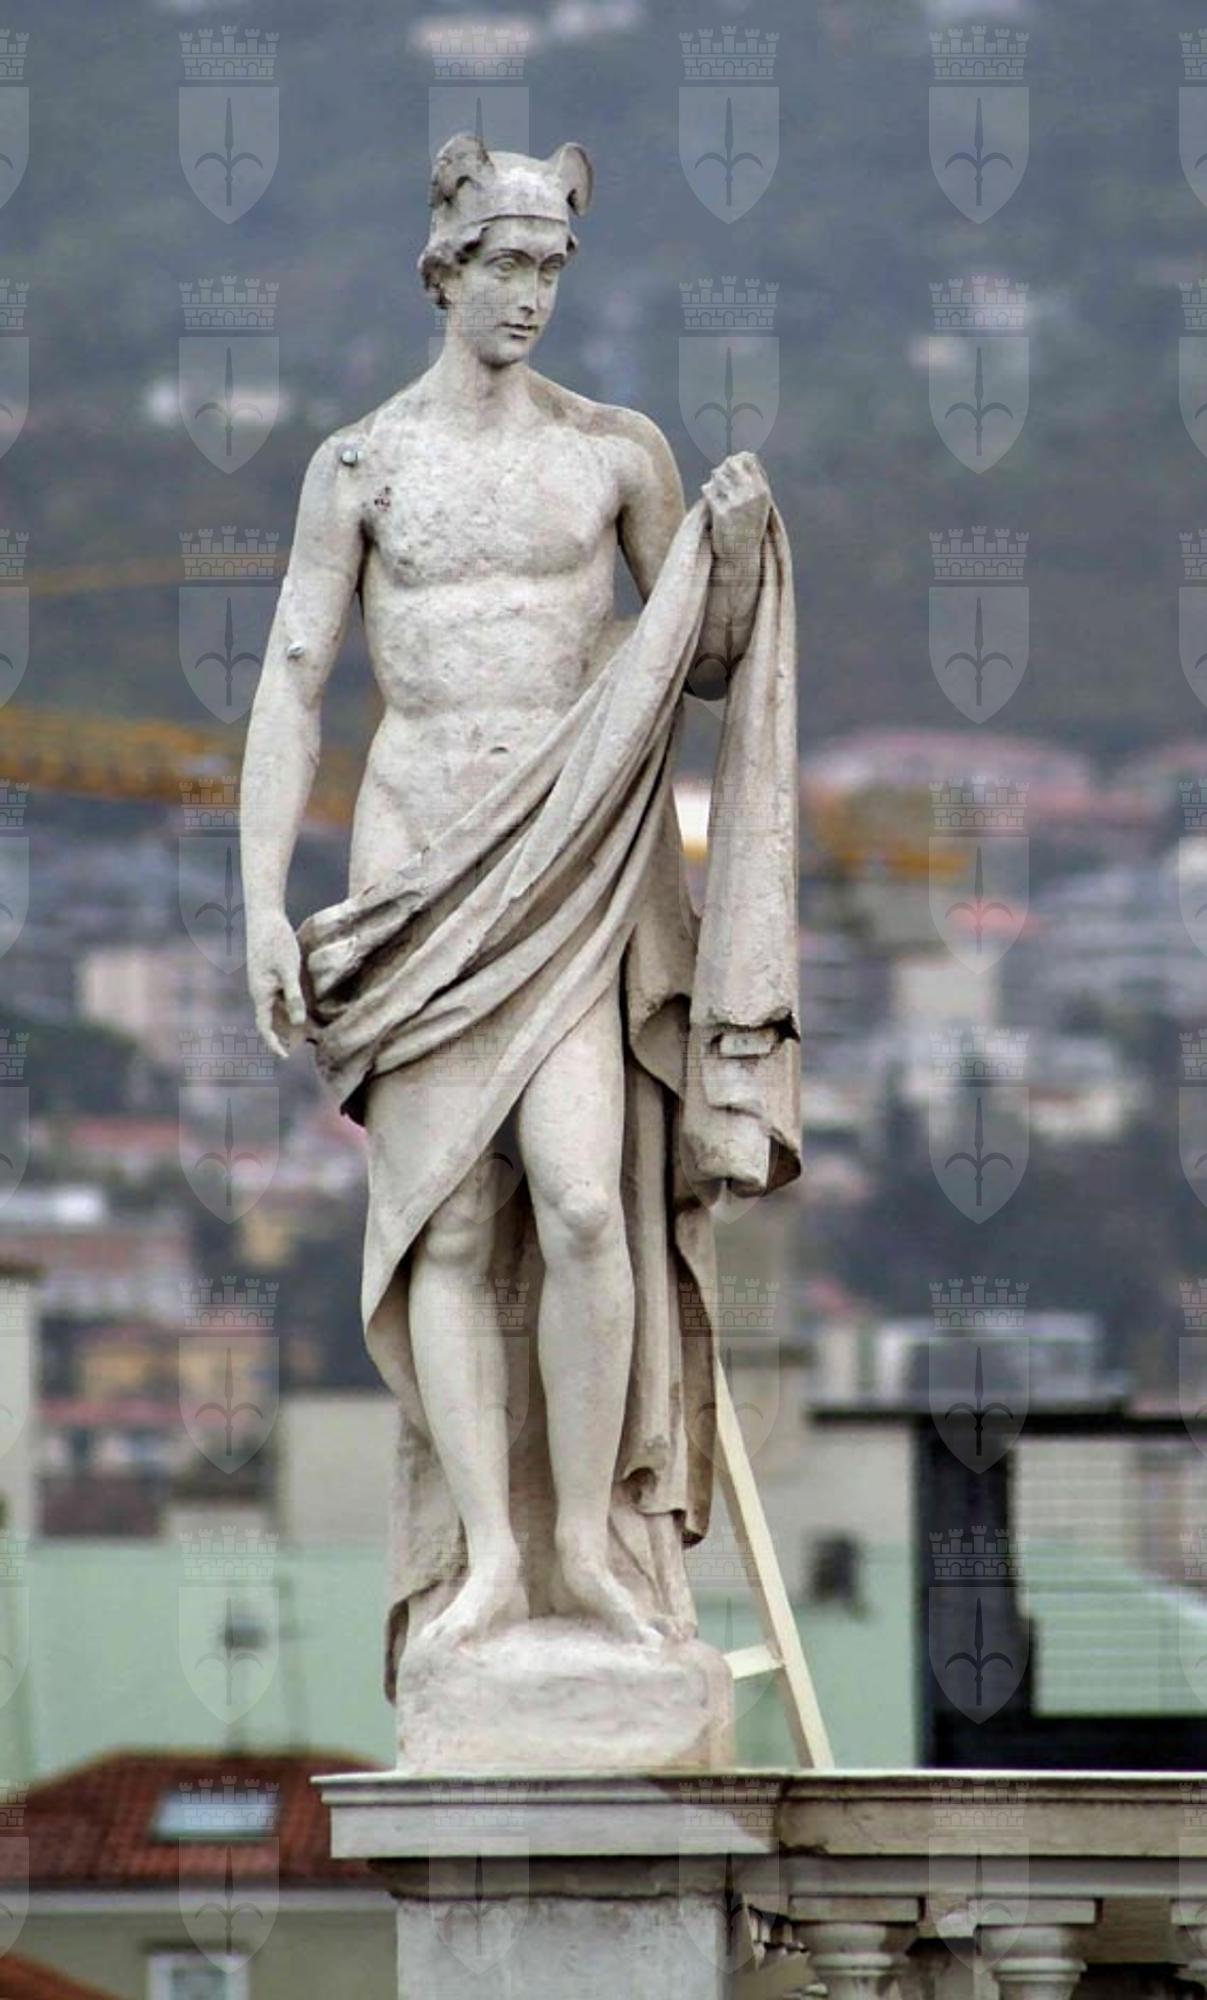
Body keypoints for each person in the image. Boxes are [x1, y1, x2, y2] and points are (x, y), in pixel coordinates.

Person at [240, 134, 798, 1688]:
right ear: (444, 266)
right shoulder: (362, 466)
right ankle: (490, 1559)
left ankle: (588, 1549)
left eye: (551, 267)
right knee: (454, 1222)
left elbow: (697, 659)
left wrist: (735, 555)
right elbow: (292, 680)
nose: (529, 294)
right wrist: (259, 904)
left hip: (569, 868)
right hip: (418, 874)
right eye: (504, 264)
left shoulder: (615, 453)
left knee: (581, 1200)